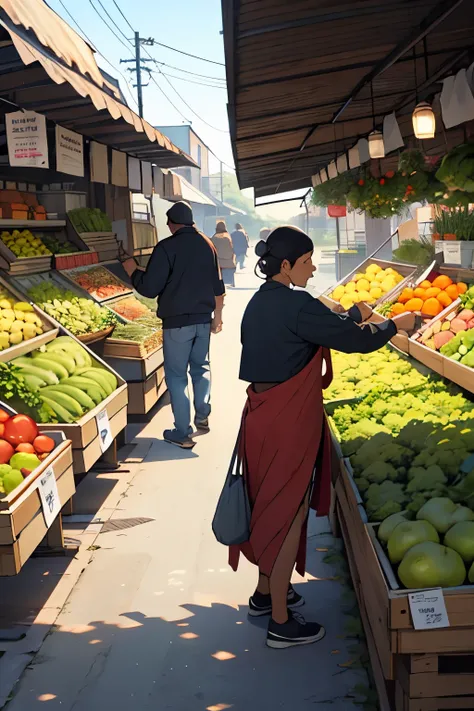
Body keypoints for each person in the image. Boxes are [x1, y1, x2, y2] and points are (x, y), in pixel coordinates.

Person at [228, 226, 415, 649]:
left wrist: (351, 315)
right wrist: (394, 326)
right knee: (287, 512)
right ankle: (280, 622)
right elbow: (351, 343)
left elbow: (310, 331)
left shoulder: (259, 302)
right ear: (287, 265)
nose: (314, 267)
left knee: (267, 504)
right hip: (288, 424)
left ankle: (263, 595)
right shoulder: (297, 303)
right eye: (308, 260)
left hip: (261, 417)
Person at [120, 201, 225, 450]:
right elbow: (218, 286)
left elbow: (149, 287)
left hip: (177, 323)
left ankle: (182, 431)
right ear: (191, 222)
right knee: (201, 367)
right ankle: (202, 415)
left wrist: (133, 270)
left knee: (177, 377)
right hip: (203, 319)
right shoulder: (207, 244)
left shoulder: (166, 247)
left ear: (171, 224)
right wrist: (217, 317)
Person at [211, 221, 236, 287]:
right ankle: (231, 282)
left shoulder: (214, 237)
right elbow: (232, 249)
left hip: (218, 262)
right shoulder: (228, 236)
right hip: (228, 262)